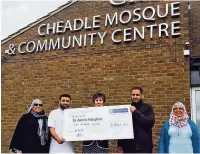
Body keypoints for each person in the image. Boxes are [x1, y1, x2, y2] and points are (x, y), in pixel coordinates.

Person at [117, 86, 155, 153]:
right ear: (131, 96)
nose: (135, 96)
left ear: (142, 95)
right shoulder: (126, 108)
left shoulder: (148, 107)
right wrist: (119, 144)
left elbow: (150, 123)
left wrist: (136, 112)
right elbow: (122, 127)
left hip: (144, 146)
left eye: (137, 95)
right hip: (128, 146)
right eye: (133, 94)